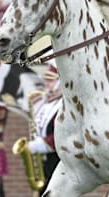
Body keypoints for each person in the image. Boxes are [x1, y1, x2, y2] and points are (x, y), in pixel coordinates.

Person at [26, 63, 63, 195]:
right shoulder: (44, 102)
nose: (46, 84)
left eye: (51, 80)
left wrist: (43, 144)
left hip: (59, 159)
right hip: (43, 159)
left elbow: (62, 134)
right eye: (46, 80)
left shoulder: (64, 104)